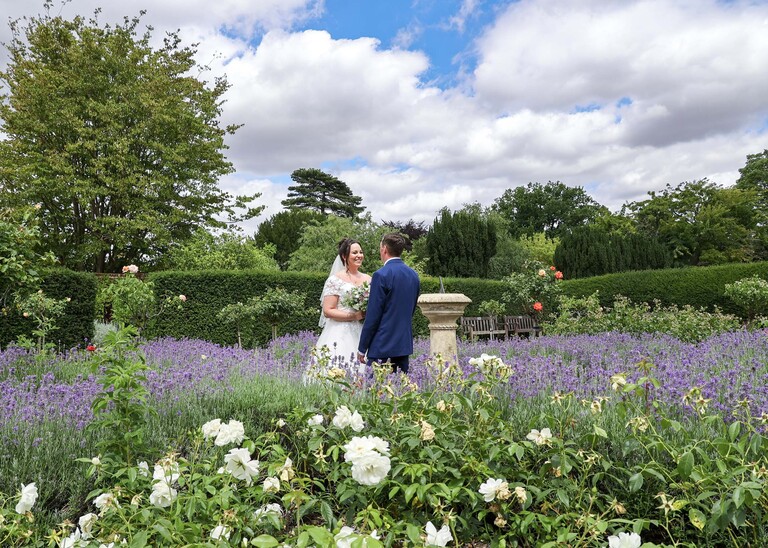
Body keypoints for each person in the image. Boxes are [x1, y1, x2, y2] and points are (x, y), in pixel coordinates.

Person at [308, 238, 372, 378]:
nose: (359, 255)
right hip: (339, 333)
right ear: (344, 256)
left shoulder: (368, 279)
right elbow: (328, 310)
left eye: (361, 252)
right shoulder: (335, 280)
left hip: (362, 331)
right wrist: (354, 316)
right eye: (354, 252)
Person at [357, 233, 420, 374]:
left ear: (384, 249)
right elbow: (411, 309)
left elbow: (373, 316)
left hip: (382, 346)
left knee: (374, 393)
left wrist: (362, 348)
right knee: (401, 393)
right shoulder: (413, 275)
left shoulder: (381, 275)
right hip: (403, 346)